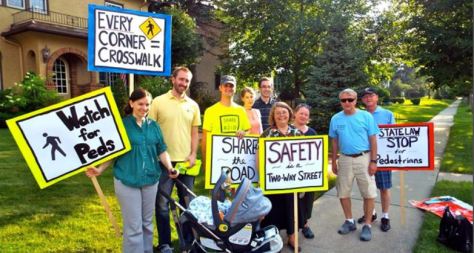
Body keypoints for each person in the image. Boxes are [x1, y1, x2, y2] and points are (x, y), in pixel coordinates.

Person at [85, 88, 178, 253]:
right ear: (131, 103)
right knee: (134, 226)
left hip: (150, 179)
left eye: (147, 104)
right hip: (127, 179)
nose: (144, 108)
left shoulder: (154, 126)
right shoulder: (122, 125)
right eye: (140, 104)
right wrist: (100, 169)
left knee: (147, 223)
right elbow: (112, 152)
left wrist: (170, 167)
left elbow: (161, 150)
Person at [148, 67, 201, 253]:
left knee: (187, 205)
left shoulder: (193, 105)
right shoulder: (158, 102)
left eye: (187, 80)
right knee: (161, 205)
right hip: (162, 163)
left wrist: (193, 154)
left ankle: (188, 242)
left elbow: (195, 132)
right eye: (181, 79)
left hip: (186, 164)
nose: (184, 83)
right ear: (173, 79)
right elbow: (150, 130)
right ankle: (165, 244)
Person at [329, 88, 380, 242]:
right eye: (343, 100)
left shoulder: (366, 116)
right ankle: (349, 221)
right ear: (340, 102)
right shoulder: (336, 119)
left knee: (369, 193)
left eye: (350, 99)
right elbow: (334, 140)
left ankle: (367, 225)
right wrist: (334, 160)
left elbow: (373, 140)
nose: (347, 102)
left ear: (356, 100)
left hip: (364, 158)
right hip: (344, 159)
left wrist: (373, 161)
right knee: (343, 192)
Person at [260, 102, 303, 251]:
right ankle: (274, 238)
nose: (281, 115)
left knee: (292, 207)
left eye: (284, 112)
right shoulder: (267, 133)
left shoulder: (297, 133)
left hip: (292, 179)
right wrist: (262, 177)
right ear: (273, 116)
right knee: (274, 208)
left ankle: (292, 236)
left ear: (289, 114)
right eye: (277, 113)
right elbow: (259, 156)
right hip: (273, 180)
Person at [358, 87, 395, 232]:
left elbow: (394, 137)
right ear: (362, 100)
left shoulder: (387, 114)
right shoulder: (359, 115)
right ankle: (371, 214)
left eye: (371, 95)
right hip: (365, 157)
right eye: (365, 96)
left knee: (384, 188)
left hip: (383, 158)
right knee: (367, 188)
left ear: (377, 98)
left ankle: (385, 216)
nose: (368, 98)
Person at [201, 75, 251, 166]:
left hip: (237, 160)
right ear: (220, 88)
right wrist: (205, 163)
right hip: (217, 160)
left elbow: (248, 132)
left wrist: (244, 133)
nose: (228, 88)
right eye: (226, 85)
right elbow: (205, 141)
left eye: (231, 86)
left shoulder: (241, 110)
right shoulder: (210, 111)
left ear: (235, 89)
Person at [293, 103, 317, 239]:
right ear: (295, 114)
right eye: (301, 113)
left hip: (307, 173)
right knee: (292, 200)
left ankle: (305, 225)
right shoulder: (288, 131)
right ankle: (292, 226)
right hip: (291, 172)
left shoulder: (312, 132)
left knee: (307, 199)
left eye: (306, 115)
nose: (303, 116)